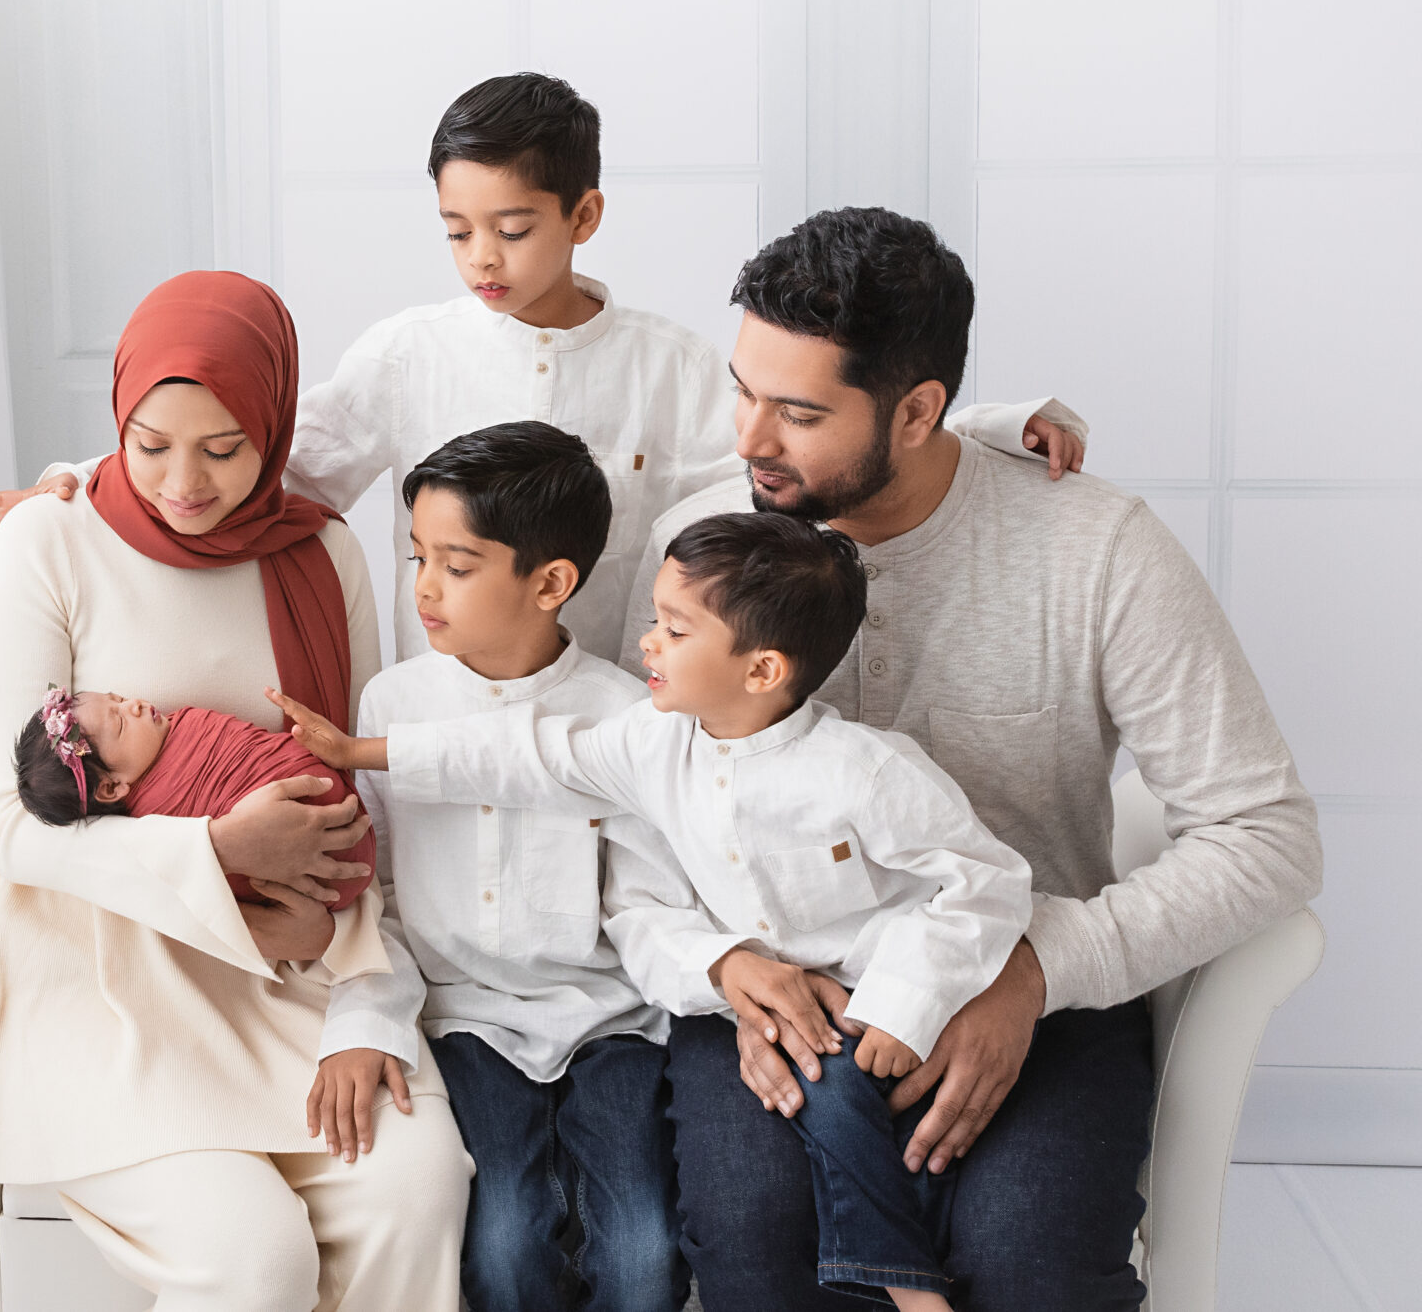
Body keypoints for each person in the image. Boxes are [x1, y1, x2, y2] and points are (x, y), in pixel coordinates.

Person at [620, 208, 1322, 1311]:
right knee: (759, 1254)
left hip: (1025, 983)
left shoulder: (1095, 550)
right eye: (743, 389)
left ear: (916, 410)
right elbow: (635, 807)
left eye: (798, 412)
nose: (749, 439)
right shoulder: (706, 543)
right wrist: (719, 967)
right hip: (783, 988)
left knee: (1025, 1269)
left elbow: (1266, 835)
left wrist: (1039, 969)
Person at [0, 74, 1087, 658]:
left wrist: (981, 425)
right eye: (456, 230)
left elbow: (806, 446)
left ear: (584, 212)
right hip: (442, 720)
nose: (482, 259)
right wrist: (81, 487)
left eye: (511, 227)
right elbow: (264, 469)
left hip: (612, 729)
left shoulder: (670, 364)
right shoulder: (409, 354)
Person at [282, 512, 1036, 1311]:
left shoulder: (865, 772)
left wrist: (903, 1007)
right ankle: (904, 1278)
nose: (646, 641)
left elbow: (987, 881)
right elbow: (528, 754)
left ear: (763, 669)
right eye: (654, 618)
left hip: (872, 989)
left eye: (674, 629)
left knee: (841, 1091)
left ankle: (906, 1284)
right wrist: (365, 753)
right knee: (822, 1090)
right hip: (768, 1001)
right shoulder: (653, 741)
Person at [0, 269, 471, 1312]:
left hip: (287, 970)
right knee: (251, 1258)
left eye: (224, 449)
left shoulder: (319, 554)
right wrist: (218, 853)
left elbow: (357, 799)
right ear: (117, 419)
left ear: (274, 427)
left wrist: (362, 1002)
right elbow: (13, 829)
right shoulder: (46, 541)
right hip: (101, 980)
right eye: (149, 446)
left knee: (414, 1192)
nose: (183, 483)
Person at [307, 421, 692, 1312]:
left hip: (612, 1024)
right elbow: (378, 900)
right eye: (417, 557)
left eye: (459, 563)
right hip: (465, 1020)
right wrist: (361, 1021)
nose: (425, 589)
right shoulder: (392, 702)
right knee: (505, 1245)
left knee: (645, 1254)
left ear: (551, 582)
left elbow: (647, 900)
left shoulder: (623, 715)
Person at [13, 686, 375, 910]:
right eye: (121, 722)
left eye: (119, 699)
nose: (134, 705)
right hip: (327, 858)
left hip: (338, 805)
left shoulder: (172, 731)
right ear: (111, 787)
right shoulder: (159, 824)